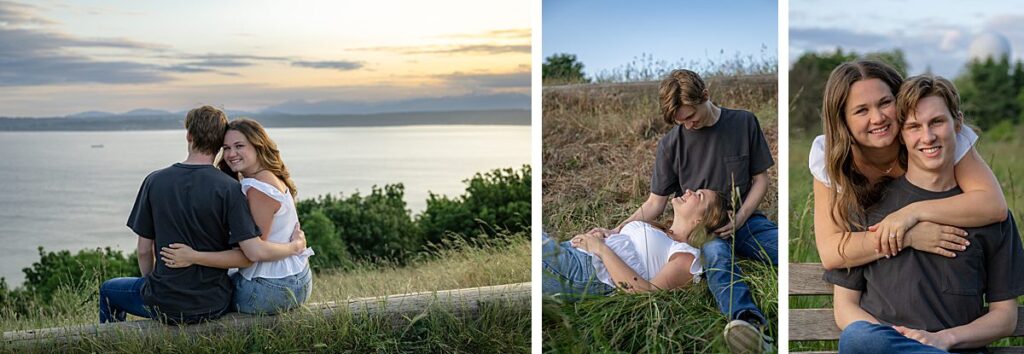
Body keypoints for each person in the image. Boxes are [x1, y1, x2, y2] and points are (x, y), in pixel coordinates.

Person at [826, 75, 1024, 353]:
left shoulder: (989, 216)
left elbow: (1004, 317)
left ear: (958, 123)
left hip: (955, 349)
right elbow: (844, 307)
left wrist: (945, 339)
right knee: (859, 337)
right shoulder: (869, 205)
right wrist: (897, 341)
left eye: (937, 122)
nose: (927, 137)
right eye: (914, 127)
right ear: (901, 135)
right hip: (882, 346)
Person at [604, 69, 777, 353]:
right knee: (717, 255)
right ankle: (750, 325)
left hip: (744, 219)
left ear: (705, 95)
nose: (688, 125)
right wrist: (615, 230)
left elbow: (761, 180)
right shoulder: (671, 144)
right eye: (681, 121)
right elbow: (654, 203)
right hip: (702, 231)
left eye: (691, 116)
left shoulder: (744, 122)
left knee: (779, 247)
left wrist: (740, 218)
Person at [98, 106, 306, 324]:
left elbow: (143, 250)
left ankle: (109, 339)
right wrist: (294, 247)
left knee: (108, 290)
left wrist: (153, 285)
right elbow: (247, 255)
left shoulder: (154, 181)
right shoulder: (232, 188)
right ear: (219, 143)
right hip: (215, 303)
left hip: (164, 300)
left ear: (189, 135)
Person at [809, 60, 1006, 270]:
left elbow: (993, 204)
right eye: (862, 110)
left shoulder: (934, 139)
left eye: (885, 102)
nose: (878, 118)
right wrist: (907, 236)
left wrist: (912, 212)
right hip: (879, 273)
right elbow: (831, 252)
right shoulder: (831, 157)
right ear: (842, 120)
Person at [160, 118, 314, 315]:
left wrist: (192, 256)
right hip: (298, 280)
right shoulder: (269, 176)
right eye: (226, 148)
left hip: (270, 289)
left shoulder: (258, 189)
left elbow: (254, 252)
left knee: (200, 298)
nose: (231, 154)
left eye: (239, 146)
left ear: (258, 145)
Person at [543, 189, 728, 298]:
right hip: (571, 251)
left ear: (701, 220)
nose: (688, 191)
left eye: (698, 195)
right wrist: (603, 235)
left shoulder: (686, 256)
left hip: (582, 273)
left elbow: (645, 293)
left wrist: (600, 249)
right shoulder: (660, 230)